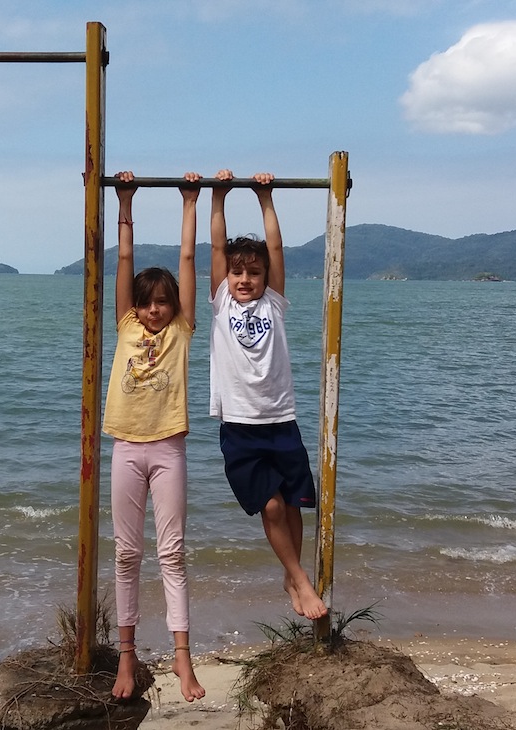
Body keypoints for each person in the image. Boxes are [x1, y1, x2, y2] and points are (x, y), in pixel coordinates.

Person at [103, 170, 207, 702]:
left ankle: (182, 660)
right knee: (126, 554)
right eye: (146, 303)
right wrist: (125, 202)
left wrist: (189, 202)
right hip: (126, 446)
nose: (153, 310)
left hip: (168, 447)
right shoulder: (124, 325)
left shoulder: (181, 331)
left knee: (171, 553)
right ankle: (126, 657)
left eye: (162, 302)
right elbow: (124, 262)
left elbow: (188, 263)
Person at [207, 169, 328, 621]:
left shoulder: (273, 302)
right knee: (271, 505)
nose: (244, 278)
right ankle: (298, 578)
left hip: (281, 419)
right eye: (237, 272)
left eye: (253, 272)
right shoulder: (221, 303)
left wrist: (266, 198)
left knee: (294, 504)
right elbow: (218, 248)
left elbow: (275, 248)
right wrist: (217, 199)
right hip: (240, 424)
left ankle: (292, 575)